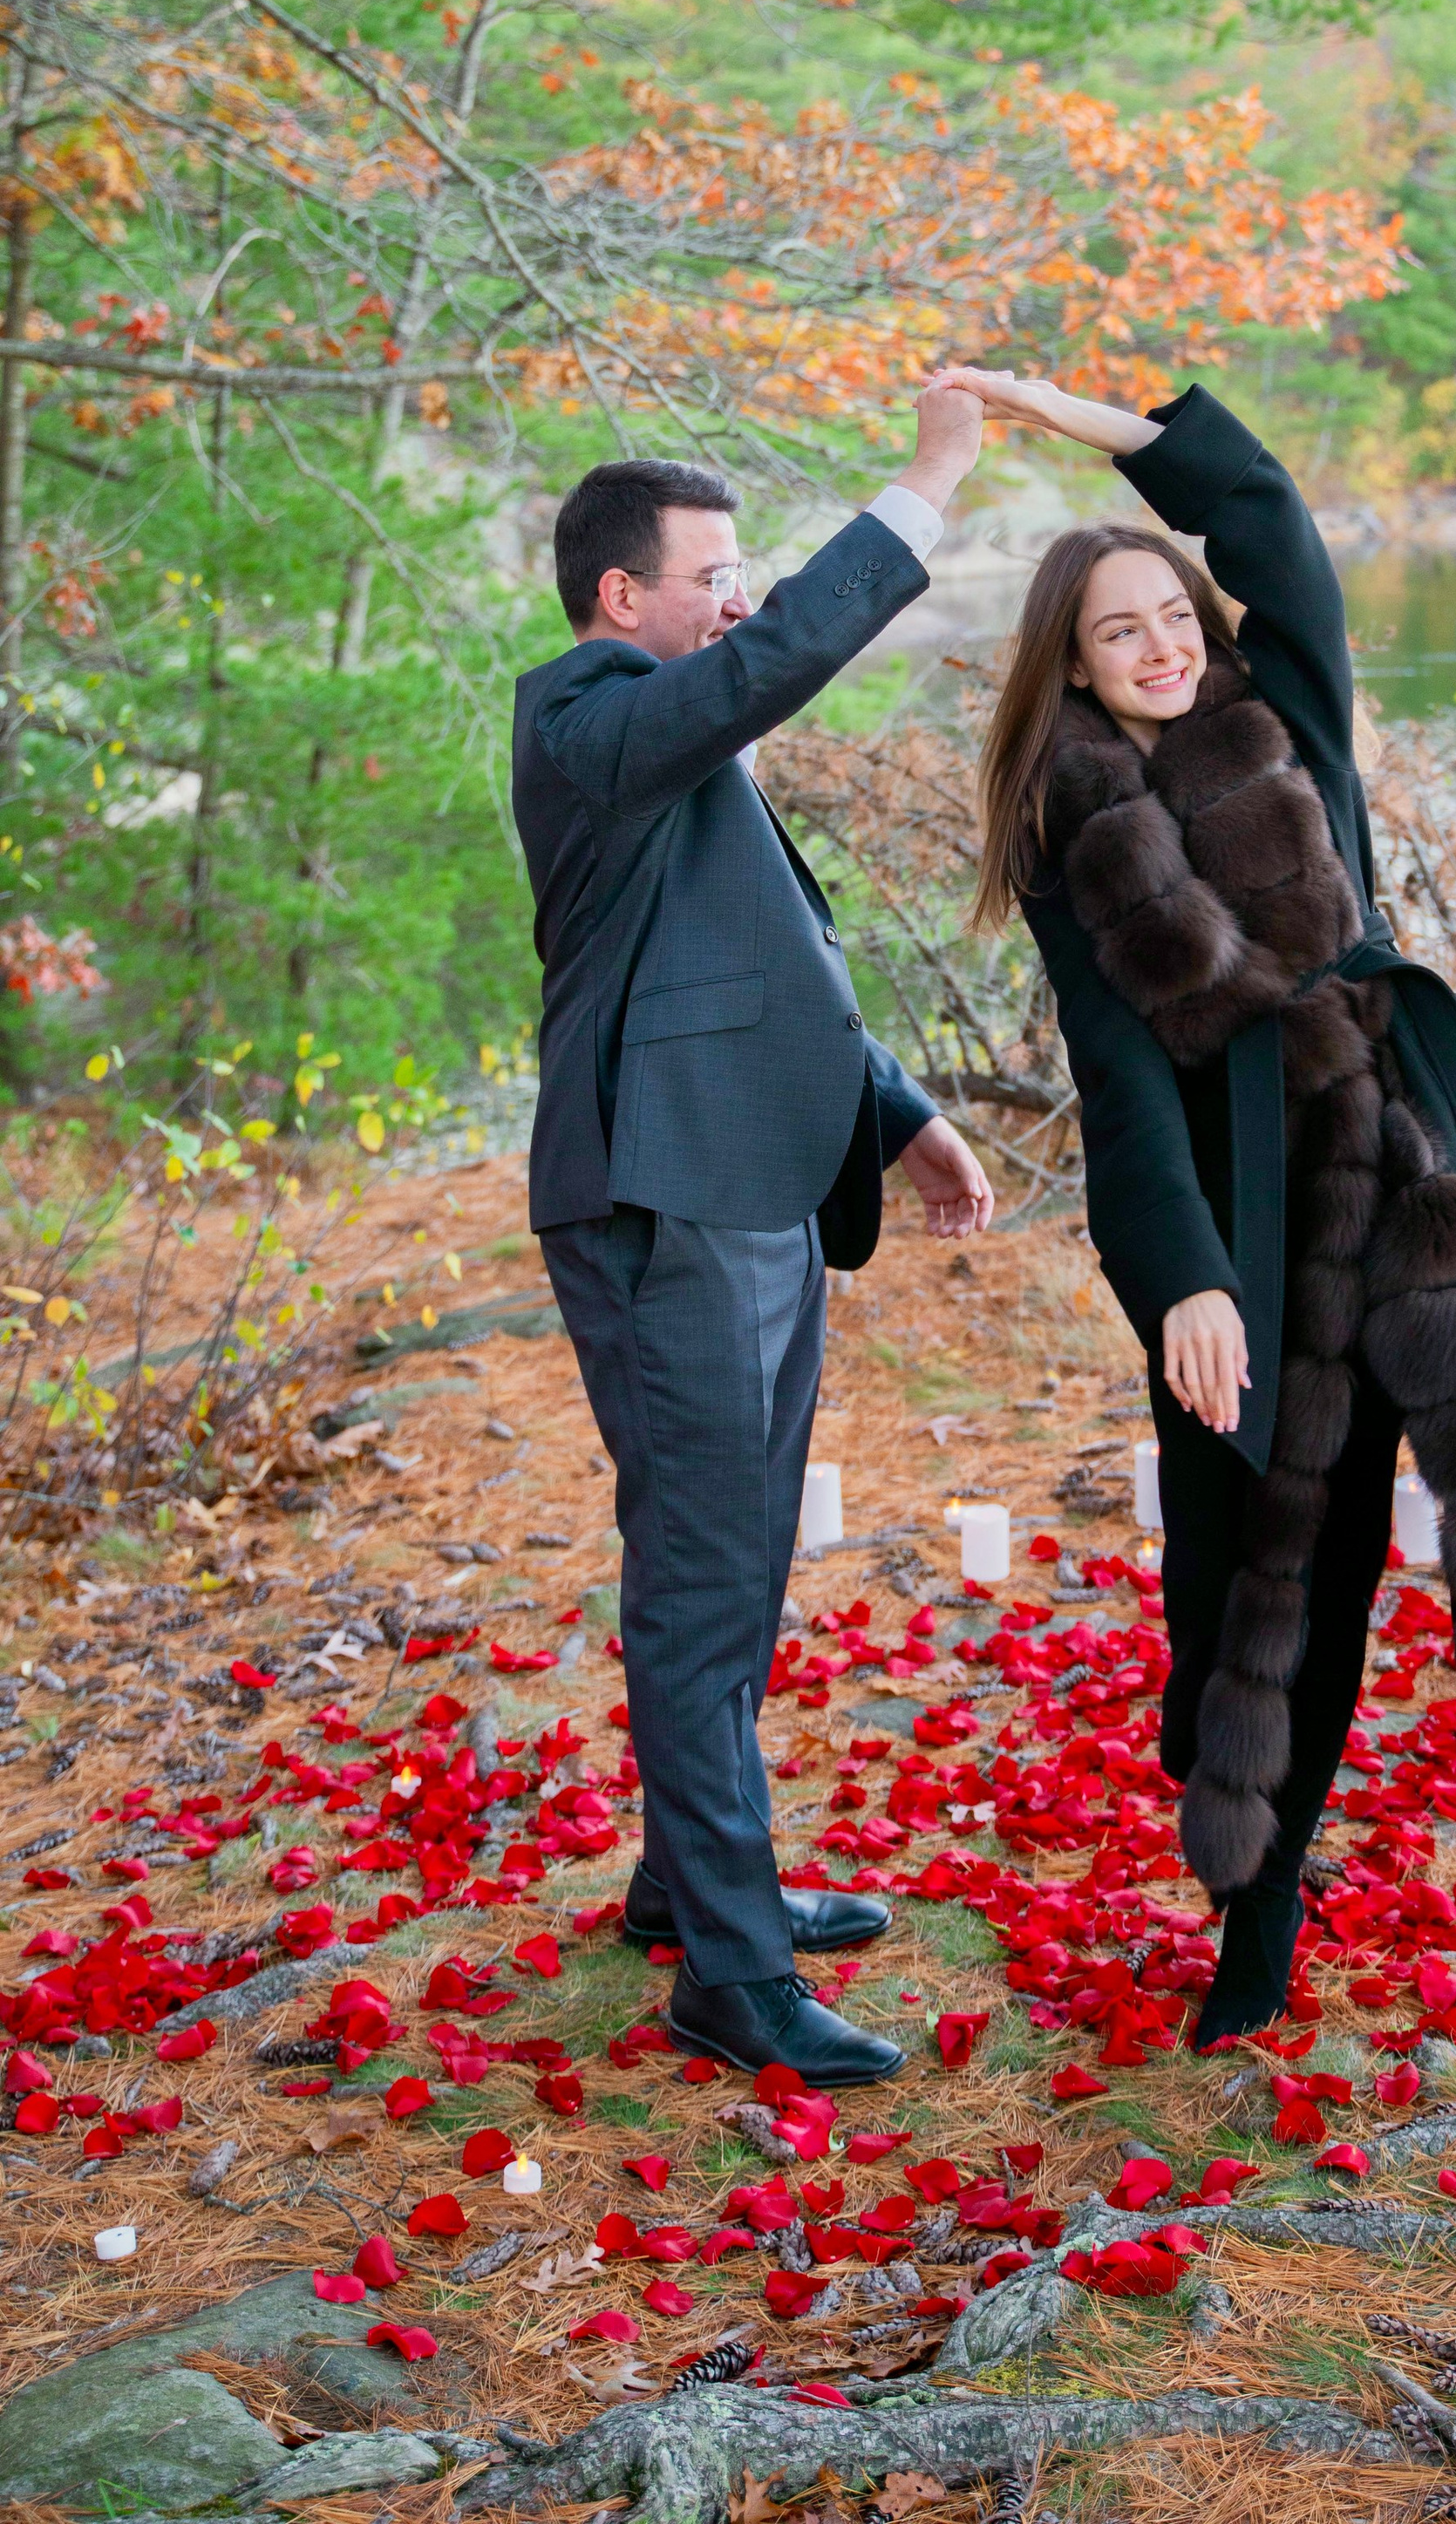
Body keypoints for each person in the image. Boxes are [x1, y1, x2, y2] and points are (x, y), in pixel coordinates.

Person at [952, 367, 1456, 2047]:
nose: (1158, 647)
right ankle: (1254, 1898)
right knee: (1267, 1579)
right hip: (1246, 1221)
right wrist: (1184, 1281)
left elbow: (1274, 526)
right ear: (1072, 667)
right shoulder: (1073, 839)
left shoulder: (1290, 714)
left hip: (1400, 1173)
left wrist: (1079, 418)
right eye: (1116, 634)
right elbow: (1121, 1093)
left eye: (1168, 615)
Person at [514, 391, 997, 2088]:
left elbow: (758, 964)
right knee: (702, 1581)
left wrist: (902, 1110)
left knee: (730, 1568)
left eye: (740, 572)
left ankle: (683, 1883)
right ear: (615, 598)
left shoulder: (674, 748)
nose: (734, 596)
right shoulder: (587, 716)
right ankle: (728, 1971)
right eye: (709, 572)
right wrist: (924, 484)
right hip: (664, 1204)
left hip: (757, 1189)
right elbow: (770, 662)